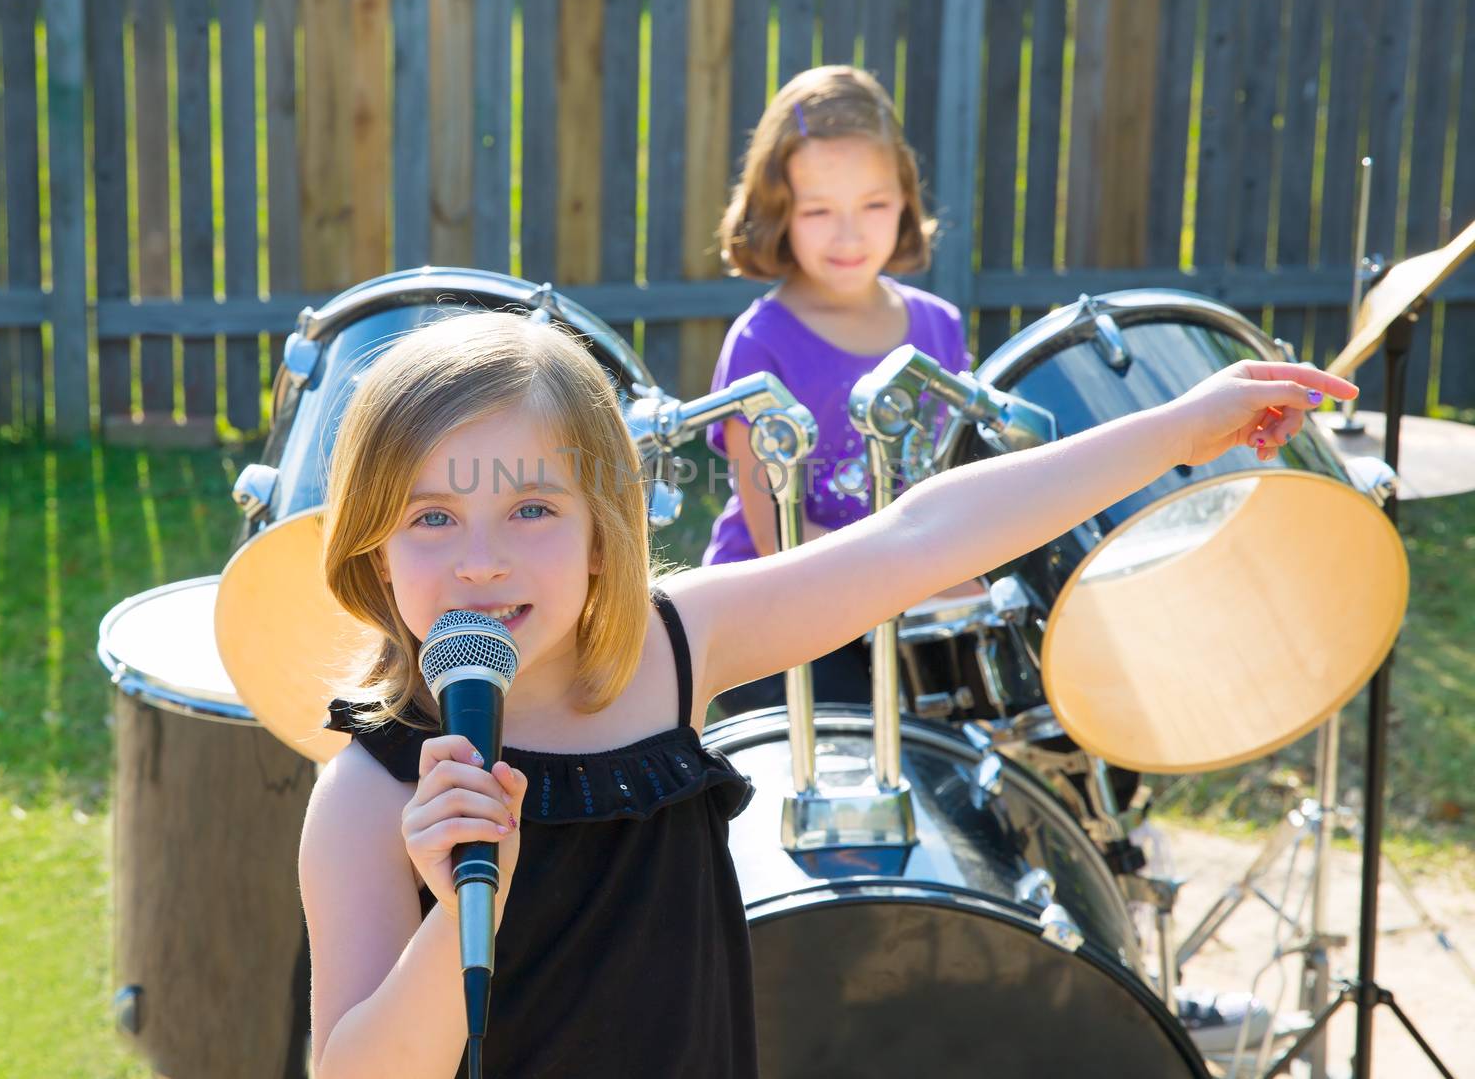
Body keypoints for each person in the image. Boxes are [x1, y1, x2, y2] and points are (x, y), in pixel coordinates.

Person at [299, 307, 1350, 1079]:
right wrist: (461, 912)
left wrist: (1173, 429)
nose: (481, 560)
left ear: (600, 535)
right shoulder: (367, 798)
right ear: (376, 553)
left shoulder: (672, 649)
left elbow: (921, 534)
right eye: (431, 518)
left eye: (531, 510)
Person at [701, 65, 970, 715]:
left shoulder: (940, 327)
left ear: (906, 200)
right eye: (819, 210)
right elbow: (776, 537)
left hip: (905, 609)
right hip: (775, 618)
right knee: (855, 736)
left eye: (874, 205)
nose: (850, 235)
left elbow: (963, 483)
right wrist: (912, 577)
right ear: (776, 213)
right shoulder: (760, 344)